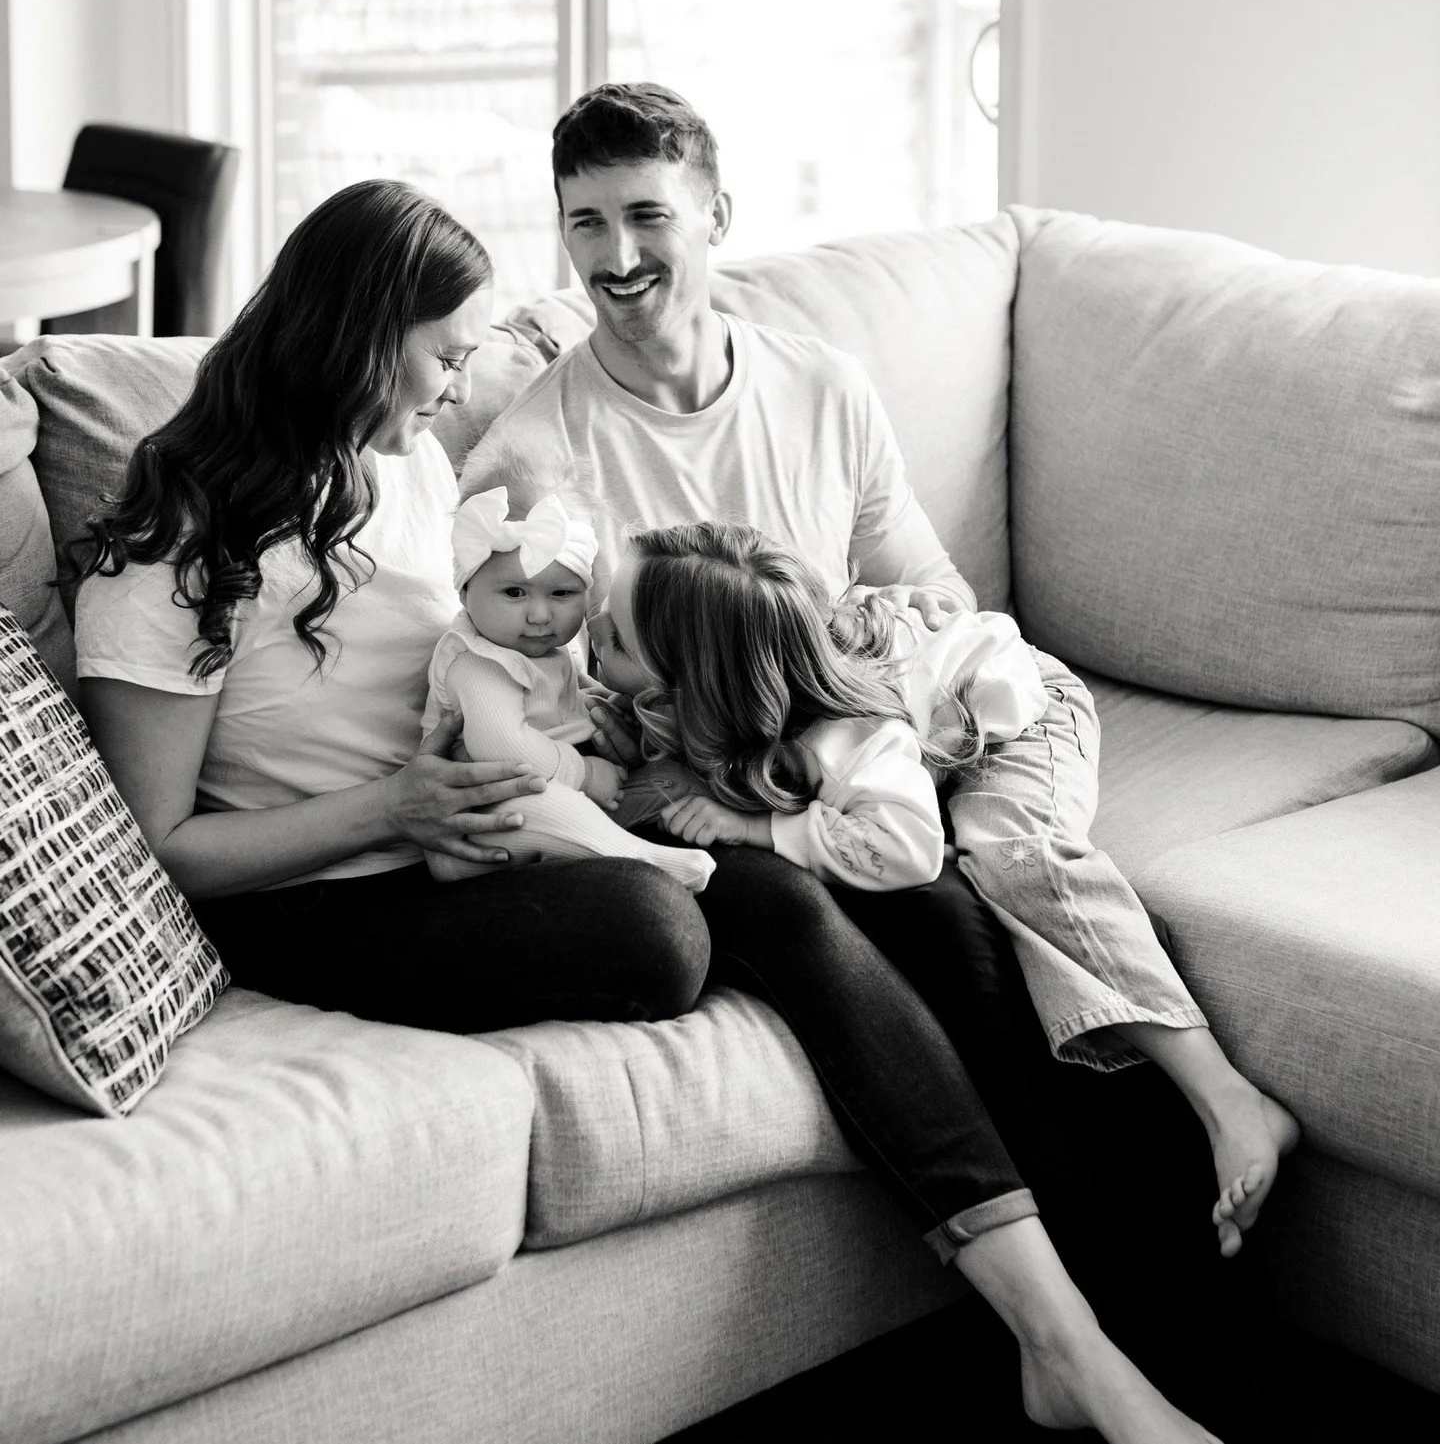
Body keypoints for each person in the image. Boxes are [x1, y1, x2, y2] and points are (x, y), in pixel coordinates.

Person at [472, 81, 1276, 1429]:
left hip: (864, 747)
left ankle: (1197, 1361)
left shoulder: (817, 385)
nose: (616, 260)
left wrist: (874, 686)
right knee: (956, 933)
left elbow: (933, 595)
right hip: (727, 804)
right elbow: (574, 710)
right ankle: (1121, 1365)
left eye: (648, 217)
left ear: (718, 216)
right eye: (585, 225)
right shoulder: (542, 457)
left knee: (991, 930)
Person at [71, 178, 710, 1036]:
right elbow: (159, 846)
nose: (458, 390)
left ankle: (953, 1171)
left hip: (449, 839)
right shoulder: (178, 542)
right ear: (355, 340)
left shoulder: (406, 463)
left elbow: (469, 653)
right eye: (447, 359)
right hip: (311, 898)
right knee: (654, 928)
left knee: (770, 874)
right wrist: (395, 809)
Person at [599, 521, 1299, 1258]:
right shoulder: (719, 688)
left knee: (1010, 857)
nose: (591, 637)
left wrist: (764, 834)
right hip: (922, 705)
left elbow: (906, 849)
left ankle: (1227, 1098)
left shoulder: (849, 739)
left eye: (612, 640)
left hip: (1020, 716)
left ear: (700, 687)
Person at [422, 448, 713, 891]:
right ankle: (638, 857)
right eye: (515, 592)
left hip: (563, 789)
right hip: (477, 821)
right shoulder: (477, 661)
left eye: (561, 594)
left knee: (676, 778)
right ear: (465, 591)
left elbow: (574, 695)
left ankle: (618, 838)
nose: (540, 615)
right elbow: (500, 745)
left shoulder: (541, 651)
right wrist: (581, 774)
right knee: (545, 803)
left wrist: (609, 707)